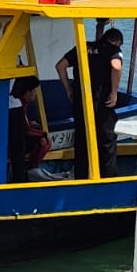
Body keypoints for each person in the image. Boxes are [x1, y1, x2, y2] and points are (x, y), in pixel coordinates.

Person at [55, 27, 123, 178]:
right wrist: (114, 92)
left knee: (82, 141)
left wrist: (68, 89)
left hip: (81, 103)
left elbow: (60, 66)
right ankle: (109, 181)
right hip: (103, 104)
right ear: (117, 42)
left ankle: (82, 178)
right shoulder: (113, 49)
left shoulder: (83, 46)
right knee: (107, 143)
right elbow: (116, 66)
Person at [7, 76, 53, 182]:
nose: (35, 94)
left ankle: (30, 170)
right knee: (41, 142)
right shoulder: (17, 105)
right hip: (16, 135)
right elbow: (25, 128)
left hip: (20, 131)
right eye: (34, 91)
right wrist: (43, 134)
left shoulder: (22, 103)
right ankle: (25, 174)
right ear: (27, 92)